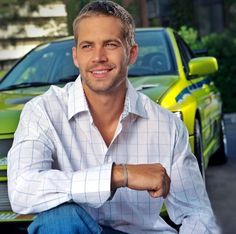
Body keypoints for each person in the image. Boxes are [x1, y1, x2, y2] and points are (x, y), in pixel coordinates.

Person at [7, 1, 220, 233]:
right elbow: (21, 191)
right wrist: (119, 175)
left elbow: (196, 213)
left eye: (110, 44)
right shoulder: (43, 112)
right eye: (87, 46)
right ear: (76, 56)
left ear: (132, 53)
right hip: (73, 229)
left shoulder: (167, 126)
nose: (98, 57)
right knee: (59, 221)